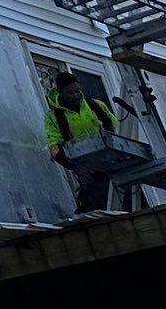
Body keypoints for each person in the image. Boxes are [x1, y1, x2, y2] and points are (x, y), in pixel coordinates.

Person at [45, 66, 124, 213]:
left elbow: (117, 130)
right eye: (70, 92)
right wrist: (76, 166)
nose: (76, 96)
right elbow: (55, 148)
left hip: (110, 161)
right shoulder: (55, 116)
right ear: (61, 93)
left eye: (77, 91)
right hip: (87, 169)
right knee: (99, 205)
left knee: (125, 198)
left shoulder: (96, 106)